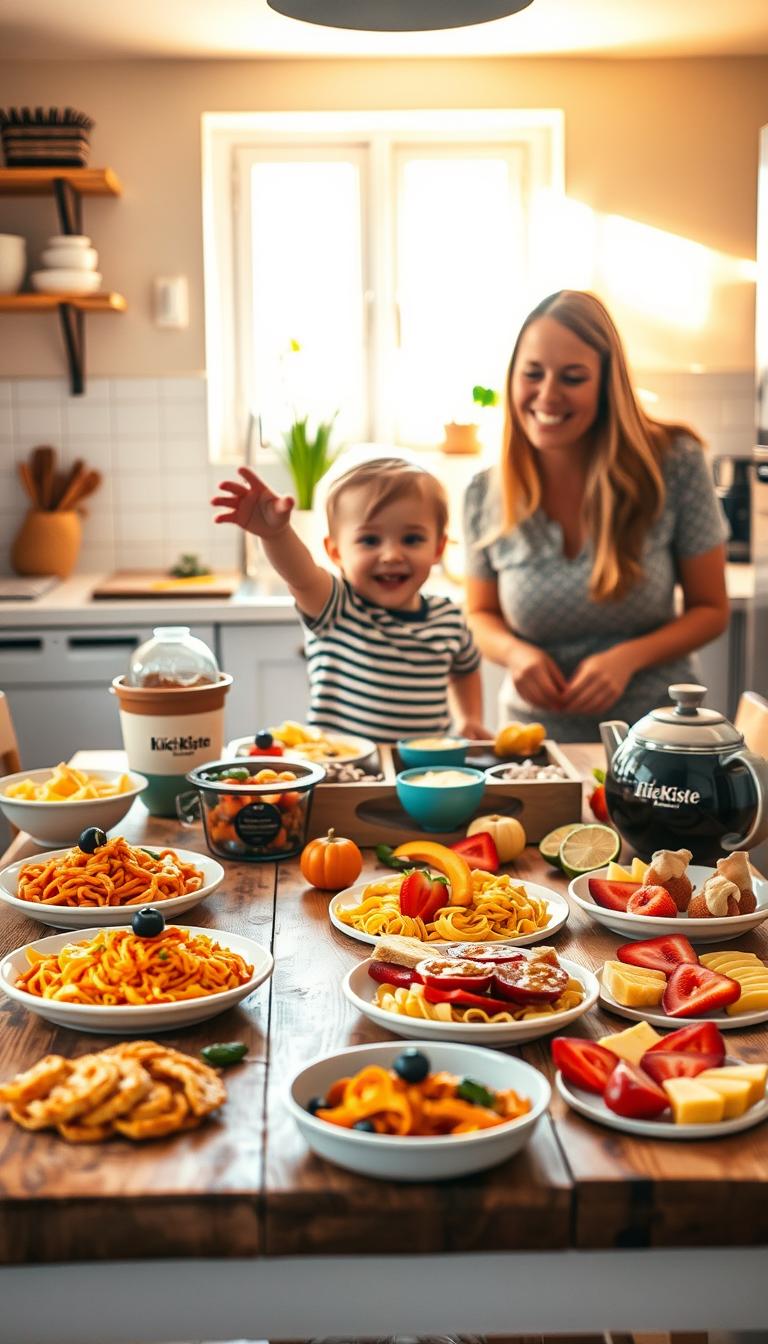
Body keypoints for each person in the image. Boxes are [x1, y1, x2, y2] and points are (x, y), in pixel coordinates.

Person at [464, 289, 730, 742]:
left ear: (606, 385)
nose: (547, 395)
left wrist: (626, 658)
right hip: (535, 743)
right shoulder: (483, 490)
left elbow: (711, 609)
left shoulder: (675, 464)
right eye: (533, 374)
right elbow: (480, 613)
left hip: (656, 738)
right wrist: (515, 653)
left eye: (572, 377)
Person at [212, 455, 489, 741]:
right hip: (343, 767)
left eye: (412, 539)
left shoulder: (449, 618)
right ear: (335, 552)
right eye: (370, 540)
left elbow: (465, 670)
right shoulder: (337, 606)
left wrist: (469, 719)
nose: (392, 555)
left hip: (424, 771)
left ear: (438, 548)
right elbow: (301, 575)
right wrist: (276, 534)